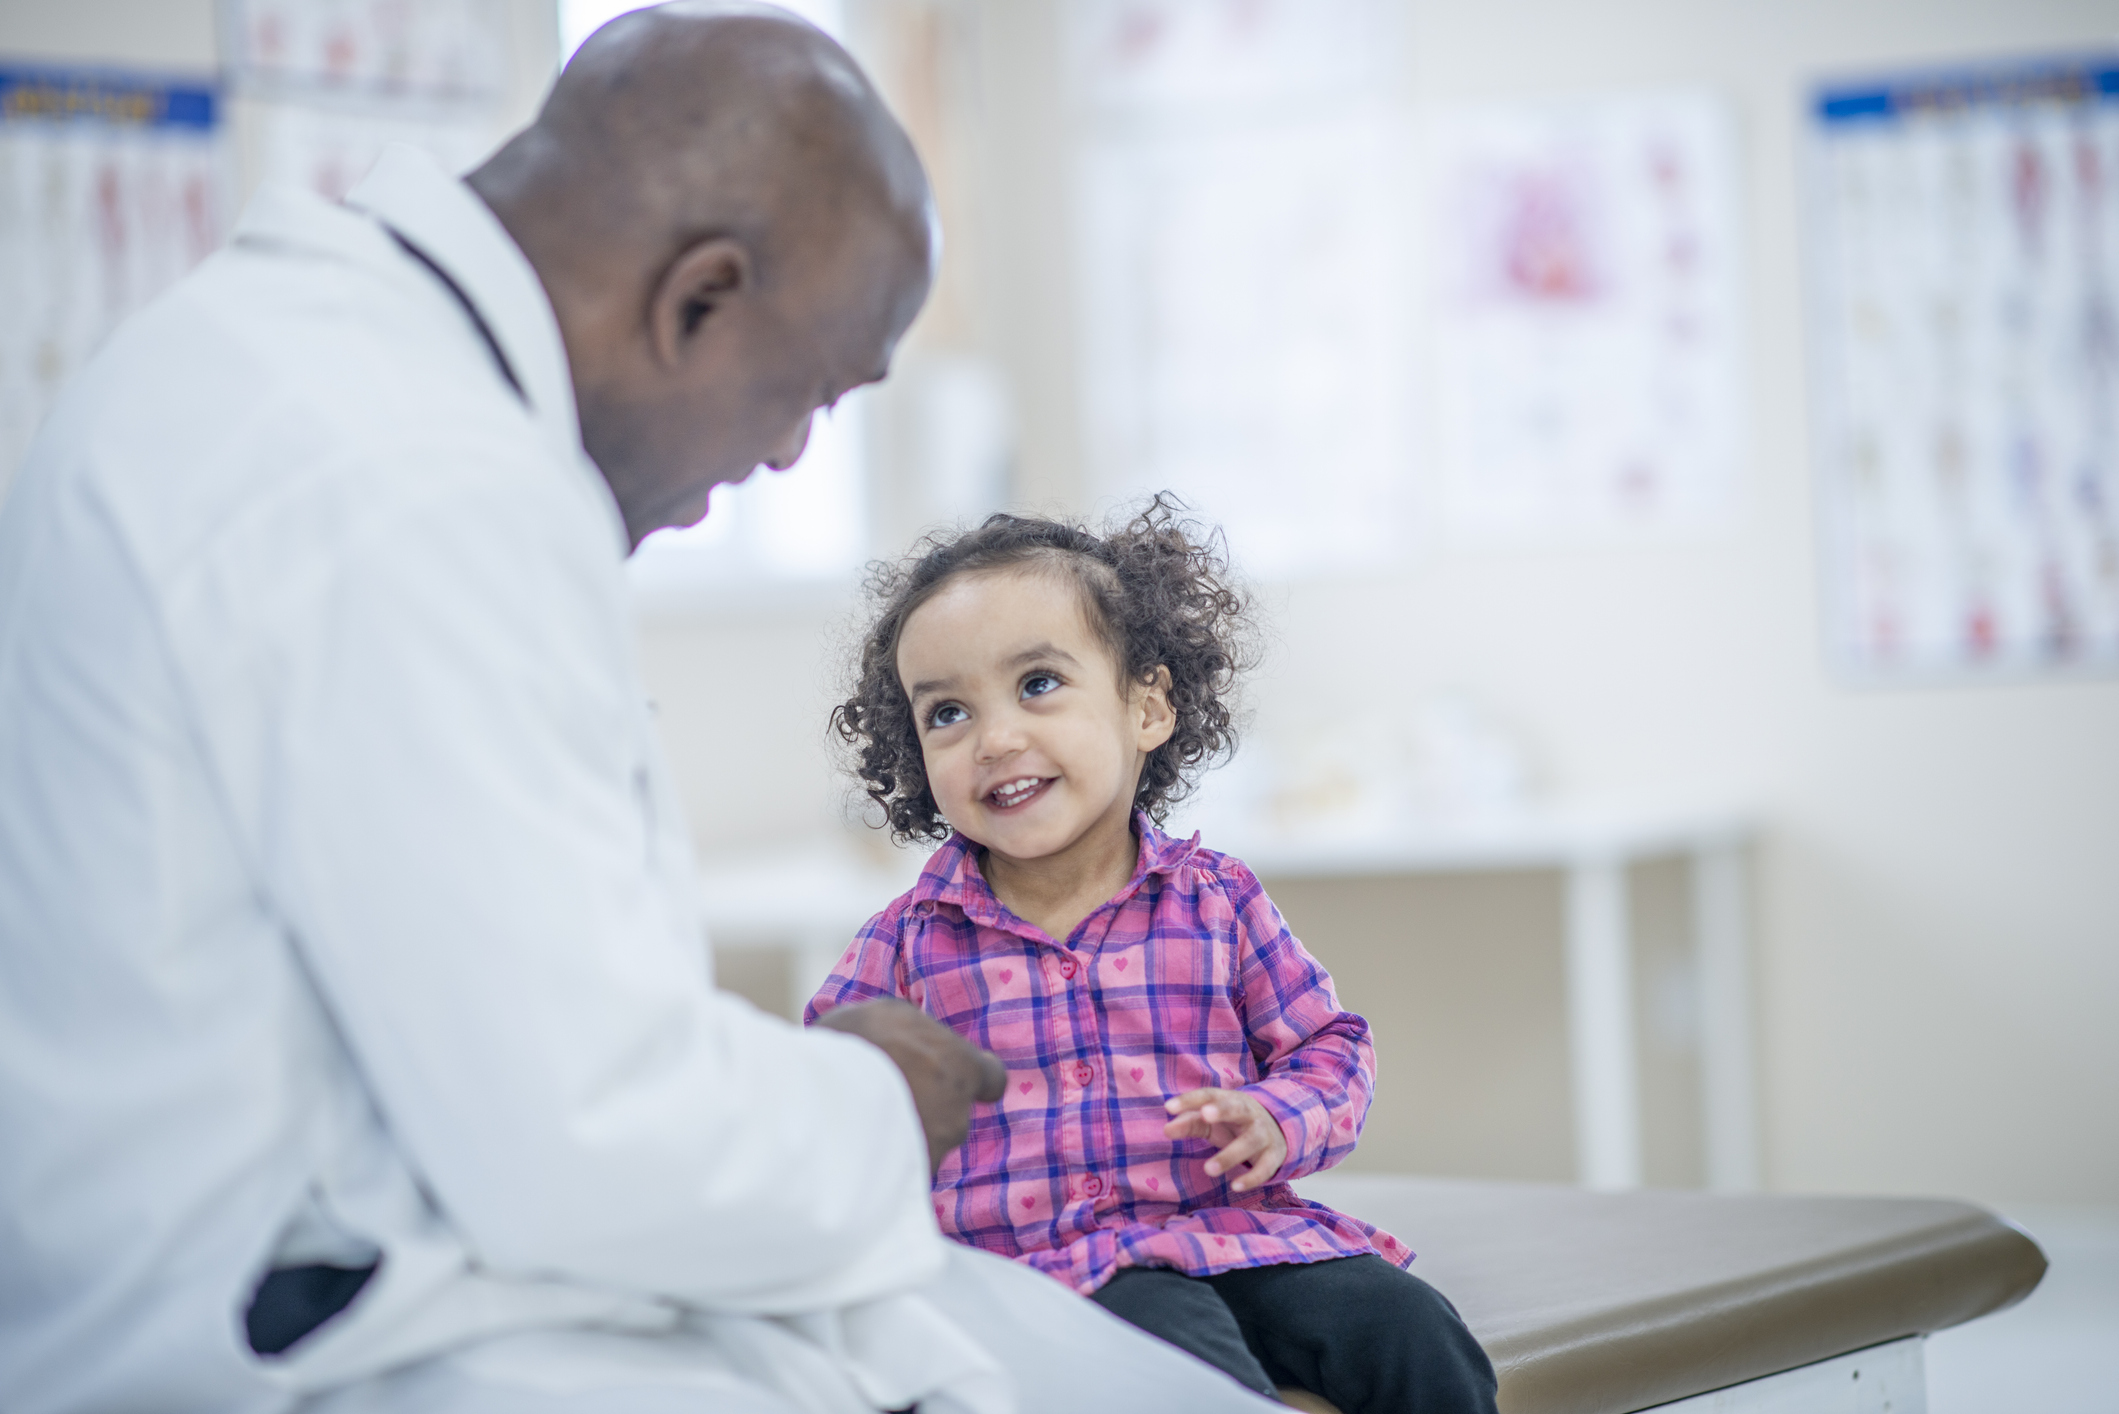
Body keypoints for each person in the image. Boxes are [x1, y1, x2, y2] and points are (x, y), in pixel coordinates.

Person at [0, 7, 1286, 1412]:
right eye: (806, 389)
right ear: (696, 302)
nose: (788, 449)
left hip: (353, 1252)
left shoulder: (282, 354)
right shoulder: (416, 484)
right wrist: (876, 1101)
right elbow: (584, 1136)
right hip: (331, 1344)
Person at [805, 501, 1501, 1414]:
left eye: (1039, 685)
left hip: (1242, 1237)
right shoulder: (906, 943)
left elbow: (1329, 1049)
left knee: (1406, 1326)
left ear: (1148, 707)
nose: (996, 737)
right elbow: (823, 1088)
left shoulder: (1216, 900)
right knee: (1181, 1361)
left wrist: (1275, 1116)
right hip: (1053, 1276)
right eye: (946, 712)